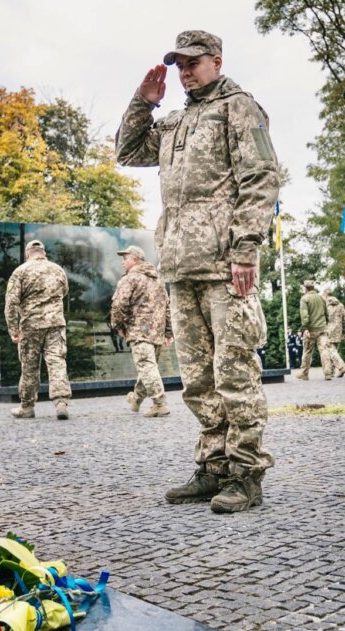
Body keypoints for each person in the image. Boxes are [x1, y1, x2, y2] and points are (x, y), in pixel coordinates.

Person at [116, 30, 279, 513]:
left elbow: (261, 177)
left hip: (225, 264)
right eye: (179, 64)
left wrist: (246, 248)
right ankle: (213, 467)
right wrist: (142, 103)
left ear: (216, 60)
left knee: (235, 373)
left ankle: (247, 474)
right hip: (181, 264)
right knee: (198, 379)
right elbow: (127, 152)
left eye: (193, 62)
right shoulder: (175, 122)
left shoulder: (238, 107)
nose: (185, 71)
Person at [4, 239, 71, 420]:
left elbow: (11, 303)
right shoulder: (58, 269)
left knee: (29, 366)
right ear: (44, 253)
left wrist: (13, 329)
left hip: (30, 325)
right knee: (57, 362)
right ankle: (61, 402)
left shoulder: (20, 272)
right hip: (56, 323)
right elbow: (64, 292)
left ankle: (27, 406)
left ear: (27, 254)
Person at [110, 245, 172, 418]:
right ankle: (136, 399)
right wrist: (168, 332)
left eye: (125, 259)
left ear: (135, 259)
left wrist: (118, 326)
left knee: (146, 367)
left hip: (139, 330)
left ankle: (160, 404)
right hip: (157, 331)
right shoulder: (157, 279)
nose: (123, 263)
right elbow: (167, 306)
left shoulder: (130, 279)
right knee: (148, 366)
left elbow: (119, 305)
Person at [296, 280, 332, 381]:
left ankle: (304, 374)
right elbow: (326, 313)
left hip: (311, 330)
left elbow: (304, 315)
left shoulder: (304, 298)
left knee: (307, 351)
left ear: (306, 288)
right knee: (324, 350)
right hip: (322, 329)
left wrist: (305, 328)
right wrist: (326, 324)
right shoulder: (321, 298)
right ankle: (328, 373)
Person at [323, 289, 345, 378]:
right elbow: (344, 319)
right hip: (338, 330)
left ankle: (341, 366)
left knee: (330, 350)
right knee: (334, 349)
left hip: (328, 330)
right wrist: (344, 332)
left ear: (326, 294)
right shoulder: (340, 305)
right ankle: (332, 371)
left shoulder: (325, 305)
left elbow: (322, 318)